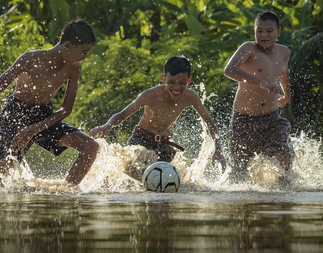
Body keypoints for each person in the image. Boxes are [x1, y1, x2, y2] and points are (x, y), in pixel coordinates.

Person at [0, 18, 99, 186]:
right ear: (67, 46)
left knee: (90, 147)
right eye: (83, 52)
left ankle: (66, 192)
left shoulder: (74, 67)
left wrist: (33, 129)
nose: (84, 58)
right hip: (16, 115)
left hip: (44, 117)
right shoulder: (30, 58)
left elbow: (66, 109)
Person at [89, 56, 226, 181]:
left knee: (165, 183)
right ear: (163, 79)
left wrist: (218, 149)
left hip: (165, 144)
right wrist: (107, 125)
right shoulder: (150, 95)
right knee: (135, 180)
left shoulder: (191, 97)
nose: (176, 88)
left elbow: (209, 121)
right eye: (171, 82)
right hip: (141, 140)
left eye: (182, 83)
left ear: (189, 80)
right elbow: (123, 114)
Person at [224, 11, 294, 184]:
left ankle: (283, 198)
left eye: (269, 31)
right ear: (254, 32)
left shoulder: (284, 52)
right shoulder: (248, 48)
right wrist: (261, 82)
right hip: (243, 120)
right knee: (239, 174)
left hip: (272, 118)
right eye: (259, 31)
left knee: (285, 157)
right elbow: (229, 70)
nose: (263, 35)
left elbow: (284, 72)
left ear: (278, 32)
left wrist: (287, 95)